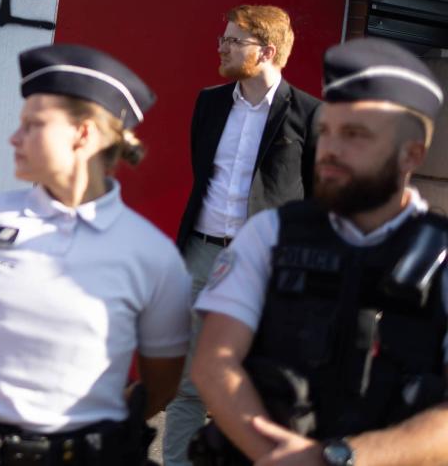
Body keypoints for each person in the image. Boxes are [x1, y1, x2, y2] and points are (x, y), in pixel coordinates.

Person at [0, 44, 191, 465]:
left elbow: (160, 382)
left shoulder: (152, 255)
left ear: (83, 134)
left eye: (34, 125)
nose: (15, 137)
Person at [191, 38, 448, 466]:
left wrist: (337, 459)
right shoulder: (271, 233)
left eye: (354, 135)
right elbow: (214, 363)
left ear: (412, 155)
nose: (329, 148)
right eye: (326, 130)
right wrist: (278, 459)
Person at [165, 5, 320, 465]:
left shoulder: (310, 115)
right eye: (223, 38)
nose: (222, 47)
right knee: (187, 382)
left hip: (264, 267)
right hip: (200, 254)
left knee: (257, 386)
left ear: (266, 51)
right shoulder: (209, 103)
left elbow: (315, 199)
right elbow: (202, 174)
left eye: (234, 41)